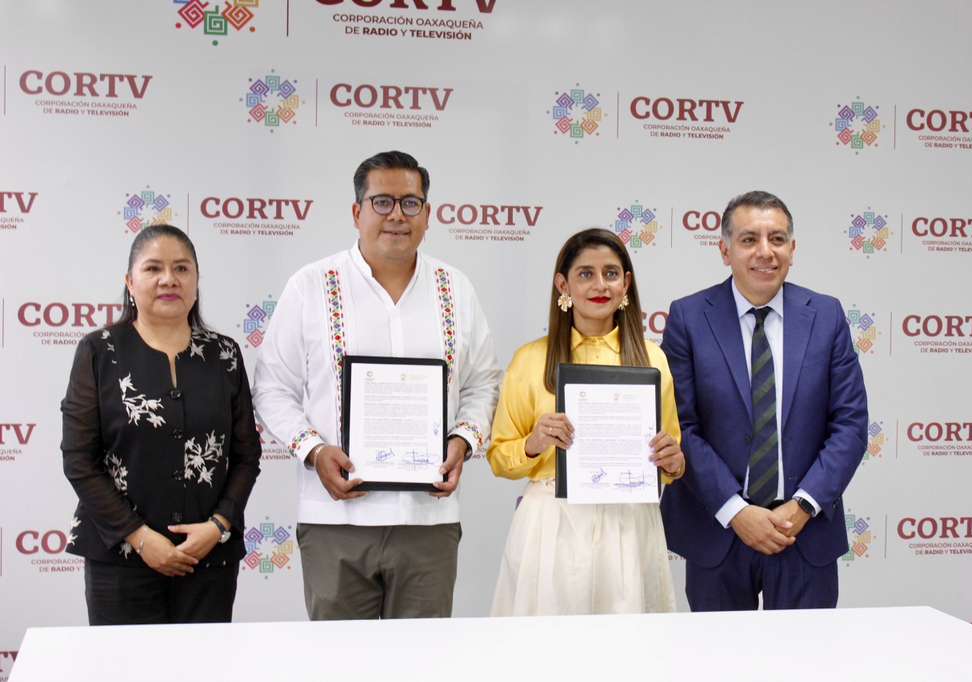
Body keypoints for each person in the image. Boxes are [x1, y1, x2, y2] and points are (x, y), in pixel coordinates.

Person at [253, 150, 500, 620]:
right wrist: (314, 450)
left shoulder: (456, 289)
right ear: (357, 212)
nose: (397, 216)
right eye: (382, 202)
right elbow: (272, 387)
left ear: (427, 214)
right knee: (340, 657)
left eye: (410, 203)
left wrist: (463, 440)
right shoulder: (311, 286)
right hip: (336, 519)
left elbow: (483, 382)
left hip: (428, 520)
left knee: (423, 656)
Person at [660, 190, 868, 611]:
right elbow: (681, 427)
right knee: (717, 652)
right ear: (725, 250)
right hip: (717, 531)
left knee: (806, 653)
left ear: (793, 249)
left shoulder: (826, 316)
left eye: (777, 239)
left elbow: (850, 424)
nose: (765, 252)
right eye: (749, 239)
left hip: (804, 533)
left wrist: (803, 505)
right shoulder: (688, 318)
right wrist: (736, 511)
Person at [61, 224, 262, 625]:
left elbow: (246, 456)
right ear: (130, 282)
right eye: (153, 268)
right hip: (120, 560)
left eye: (182, 268)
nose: (169, 279)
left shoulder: (224, 354)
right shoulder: (99, 351)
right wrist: (139, 537)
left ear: (196, 281)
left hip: (208, 559)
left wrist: (218, 526)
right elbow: (79, 461)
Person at [487, 228, 685, 616]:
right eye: (585, 274)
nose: (600, 285)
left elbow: (671, 458)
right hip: (552, 523)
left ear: (626, 283)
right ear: (563, 284)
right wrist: (535, 442)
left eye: (611, 273)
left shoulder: (653, 359)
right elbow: (499, 458)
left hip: (629, 524)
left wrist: (673, 461)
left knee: (629, 643)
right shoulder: (530, 359)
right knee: (548, 642)